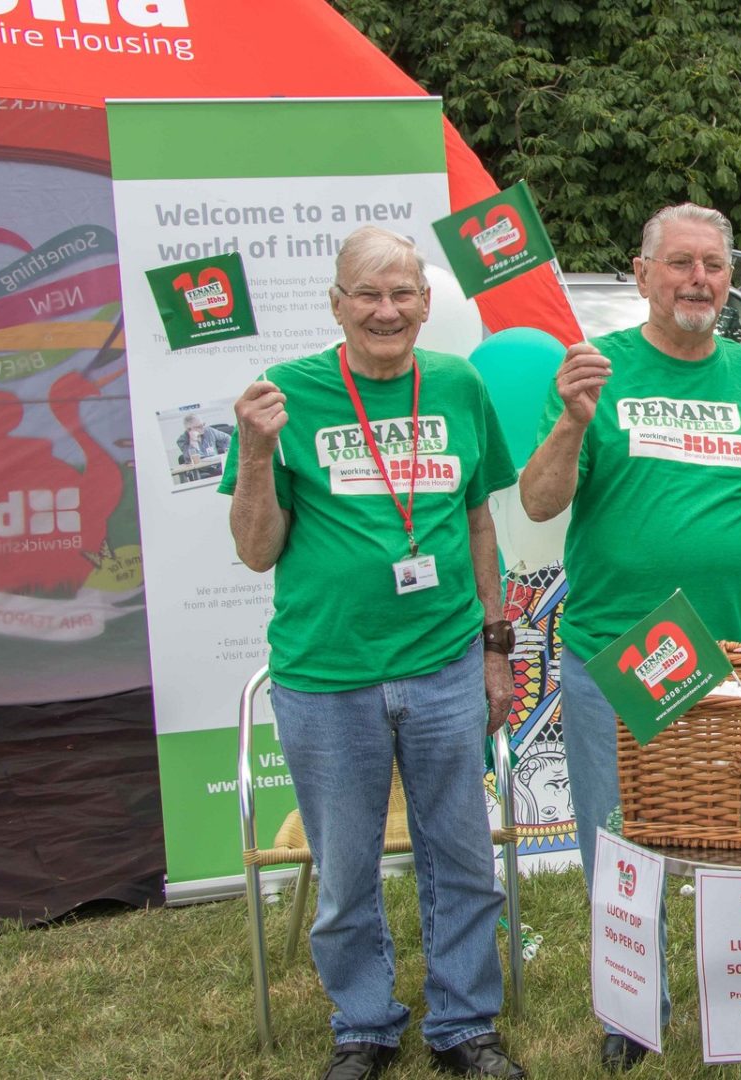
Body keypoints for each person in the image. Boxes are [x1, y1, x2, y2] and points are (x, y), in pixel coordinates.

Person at [518, 202, 741, 1072]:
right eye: (681, 263)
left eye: (715, 266)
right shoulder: (594, 371)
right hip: (620, 653)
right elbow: (540, 503)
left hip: (732, 659)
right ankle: (632, 1006)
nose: (699, 280)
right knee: (620, 839)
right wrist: (574, 421)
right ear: (642, 273)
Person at [221, 226, 527, 1080]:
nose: (386, 310)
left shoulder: (460, 386)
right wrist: (252, 454)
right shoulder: (286, 396)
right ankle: (364, 1024)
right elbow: (255, 547)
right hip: (327, 675)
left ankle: (466, 1025)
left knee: (462, 858)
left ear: (427, 304)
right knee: (347, 868)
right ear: (337, 304)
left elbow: (477, 522)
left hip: (443, 665)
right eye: (368, 294)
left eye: (403, 293)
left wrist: (496, 648)